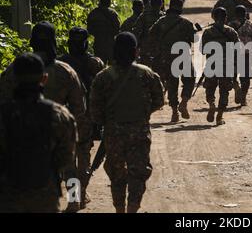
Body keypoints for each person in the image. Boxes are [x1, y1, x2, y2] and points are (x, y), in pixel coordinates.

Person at [0, 21, 86, 212]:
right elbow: (79, 106)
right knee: (71, 166)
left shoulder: (15, 68)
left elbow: (2, 98)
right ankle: (74, 199)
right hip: (55, 129)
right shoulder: (66, 71)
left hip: (16, 132)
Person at [90, 32, 164, 213]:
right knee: (138, 173)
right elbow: (159, 100)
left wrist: (108, 122)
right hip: (139, 131)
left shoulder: (103, 77)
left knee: (117, 174)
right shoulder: (146, 74)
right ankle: (132, 208)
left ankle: (119, 210)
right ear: (135, 51)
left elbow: (95, 110)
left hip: (113, 134)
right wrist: (143, 114)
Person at [59, 27, 105, 209]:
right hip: (86, 118)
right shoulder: (95, 63)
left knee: (69, 161)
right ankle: (82, 193)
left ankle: (73, 198)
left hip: (65, 118)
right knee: (84, 158)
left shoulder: (60, 64)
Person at [146, 0, 196, 122]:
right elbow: (193, 39)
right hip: (183, 55)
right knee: (190, 79)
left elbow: (151, 35)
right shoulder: (186, 23)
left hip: (166, 57)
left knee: (172, 83)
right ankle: (184, 102)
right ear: (180, 8)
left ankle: (174, 112)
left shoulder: (160, 21)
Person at [201, 7, 240, 125]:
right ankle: (219, 116)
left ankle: (211, 104)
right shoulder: (231, 31)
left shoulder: (207, 32)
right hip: (226, 65)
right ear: (226, 18)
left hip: (212, 64)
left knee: (210, 88)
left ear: (214, 17)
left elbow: (203, 50)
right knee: (224, 90)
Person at [228, 5, 252, 106]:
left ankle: (236, 86)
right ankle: (243, 97)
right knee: (245, 77)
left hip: (233, 55)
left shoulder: (230, 25)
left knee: (232, 76)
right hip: (247, 55)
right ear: (245, 13)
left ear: (235, 14)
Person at [87, 0, 121, 64]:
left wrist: (99, 33)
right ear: (108, 1)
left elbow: (89, 30)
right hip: (111, 45)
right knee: (112, 68)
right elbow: (117, 30)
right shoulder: (113, 14)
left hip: (98, 44)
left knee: (99, 66)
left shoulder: (94, 13)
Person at [134, 0, 165, 68]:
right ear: (161, 5)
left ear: (150, 4)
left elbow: (137, 30)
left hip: (146, 47)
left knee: (145, 69)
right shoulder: (164, 17)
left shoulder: (144, 15)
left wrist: (138, 45)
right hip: (160, 48)